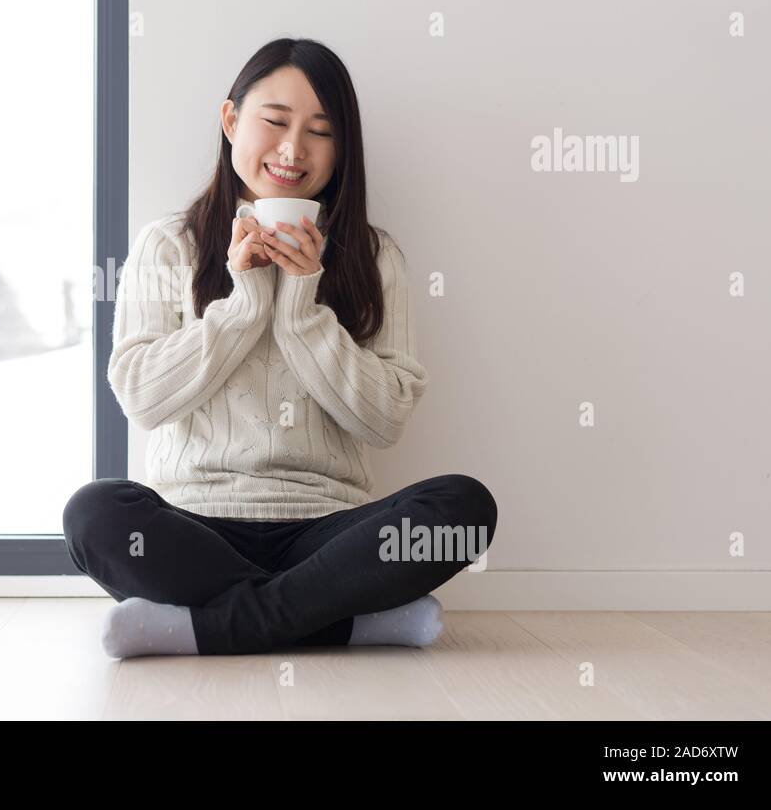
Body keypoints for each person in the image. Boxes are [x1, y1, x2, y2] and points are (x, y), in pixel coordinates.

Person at [63, 37, 497, 658]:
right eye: (274, 122)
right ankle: (346, 624)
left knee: (463, 508)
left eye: (321, 131)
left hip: (327, 532)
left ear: (342, 149)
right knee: (94, 514)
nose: (294, 149)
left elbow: (386, 421)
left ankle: (204, 627)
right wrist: (242, 307)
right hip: (194, 525)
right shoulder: (167, 245)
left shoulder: (375, 256)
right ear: (232, 120)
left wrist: (301, 306)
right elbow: (141, 398)